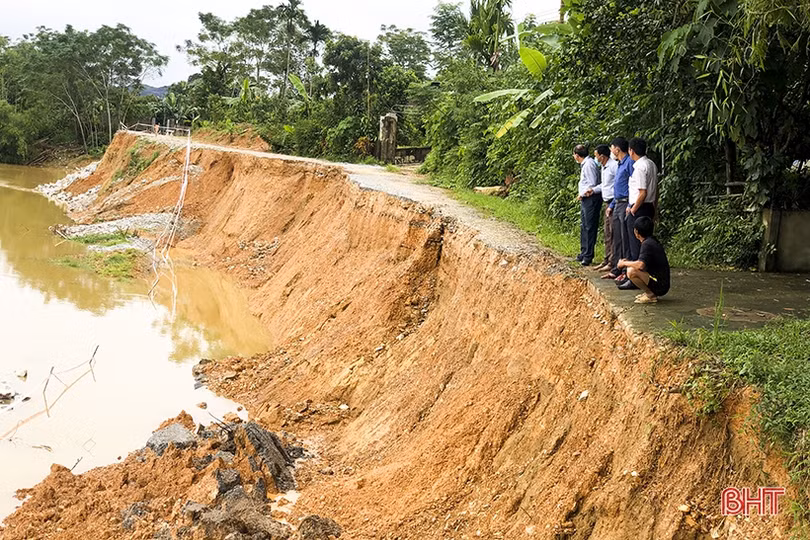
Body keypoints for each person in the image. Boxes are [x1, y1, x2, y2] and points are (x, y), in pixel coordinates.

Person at [616, 216, 670, 304]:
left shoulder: (647, 244)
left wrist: (624, 263)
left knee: (631, 271)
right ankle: (649, 292)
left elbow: (640, 265)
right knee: (633, 268)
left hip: (661, 285)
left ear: (636, 232)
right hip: (661, 282)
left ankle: (650, 295)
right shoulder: (650, 241)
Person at [604, 137, 634, 281]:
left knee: (624, 238)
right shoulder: (620, 164)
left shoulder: (629, 163)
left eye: (612, 147)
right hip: (617, 203)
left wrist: (630, 205)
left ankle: (626, 270)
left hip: (626, 203)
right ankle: (616, 268)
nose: (611, 150)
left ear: (617, 149)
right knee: (616, 237)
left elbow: (633, 185)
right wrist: (611, 205)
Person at [624, 137, 658, 261]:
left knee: (635, 243)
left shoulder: (639, 167)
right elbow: (656, 189)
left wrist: (633, 210)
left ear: (631, 151)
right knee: (647, 242)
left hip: (639, 208)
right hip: (649, 206)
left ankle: (636, 274)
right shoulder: (651, 164)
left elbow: (642, 193)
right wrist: (655, 207)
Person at [573, 144, 602, 266]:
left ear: (577, 155)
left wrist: (584, 194)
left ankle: (588, 255)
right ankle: (584, 251)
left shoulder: (589, 165)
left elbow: (592, 183)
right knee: (584, 225)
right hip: (586, 198)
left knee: (590, 227)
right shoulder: (585, 164)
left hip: (591, 198)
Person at [592, 144, 617, 273]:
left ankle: (612, 261)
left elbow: (617, 185)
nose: (595, 158)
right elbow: (604, 185)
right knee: (607, 232)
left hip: (613, 202)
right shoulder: (603, 167)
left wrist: (613, 204)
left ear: (602, 156)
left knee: (612, 233)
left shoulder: (613, 166)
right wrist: (593, 190)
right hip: (606, 202)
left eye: (596, 156)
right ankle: (606, 259)